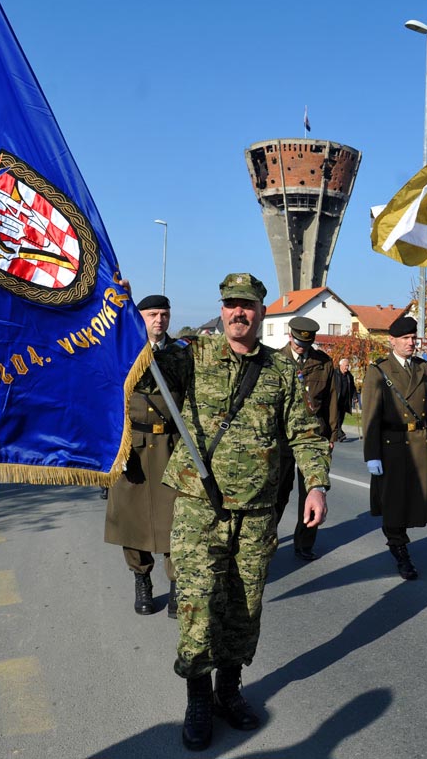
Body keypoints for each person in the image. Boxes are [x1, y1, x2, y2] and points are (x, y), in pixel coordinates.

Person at [161, 272, 330, 751]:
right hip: (199, 509)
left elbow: (304, 431)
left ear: (260, 311)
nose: (239, 312)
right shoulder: (194, 355)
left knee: (244, 607)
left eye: (248, 305)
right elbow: (146, 359)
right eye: (231, 304)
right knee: (198, 604)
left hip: (256, 514)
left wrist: (315, 486)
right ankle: (197, 696)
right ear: (222, 309)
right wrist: (132, 317)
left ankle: (227, 692)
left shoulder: (279, 370)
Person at [104, 294, 192, 616]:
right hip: (133, 447)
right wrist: (115, 450)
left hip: (171, 447)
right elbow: (106, 402)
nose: (159, 320)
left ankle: (176, 585)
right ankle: (142, 580)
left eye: (164, 314)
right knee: (133, 521)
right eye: (153, 314)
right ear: (139, 317)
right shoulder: (123, 352)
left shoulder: (182, 355)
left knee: (176, 520)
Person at [362, 316, 427, 580]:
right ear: (391, 341)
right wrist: (371, 454)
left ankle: (399, 538)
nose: (411, 342)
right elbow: (370, 415)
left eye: (413, 338)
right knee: (393, 501)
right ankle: (399, 548)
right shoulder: (379, 370)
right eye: (405, 338)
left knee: (415, 500)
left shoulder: (424, 370)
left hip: (419, 444)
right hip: (391, 445)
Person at [273, 316, 340, 562]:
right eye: (298, 342)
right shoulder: (275, 361)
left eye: (306, 343)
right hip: (281, 439)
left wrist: (332, 434)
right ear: (290, 336)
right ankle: (267, 540)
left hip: (313, 437)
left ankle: (304, 543)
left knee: (312, 492)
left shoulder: (323, 363)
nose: (302, 347)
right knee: (277, 493)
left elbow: (332, 402)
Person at [333, 358, 357, 442]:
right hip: (335, 400)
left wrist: (355, 397)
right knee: (336, 417)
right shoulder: (334, 373)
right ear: (341, 365)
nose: (347, 367)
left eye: (348, 366)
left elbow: (353, 387)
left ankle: (338, 435)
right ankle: (340, 434)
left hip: (344, 400)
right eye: (346, 365)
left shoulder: (349, 376)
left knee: (341, 418)